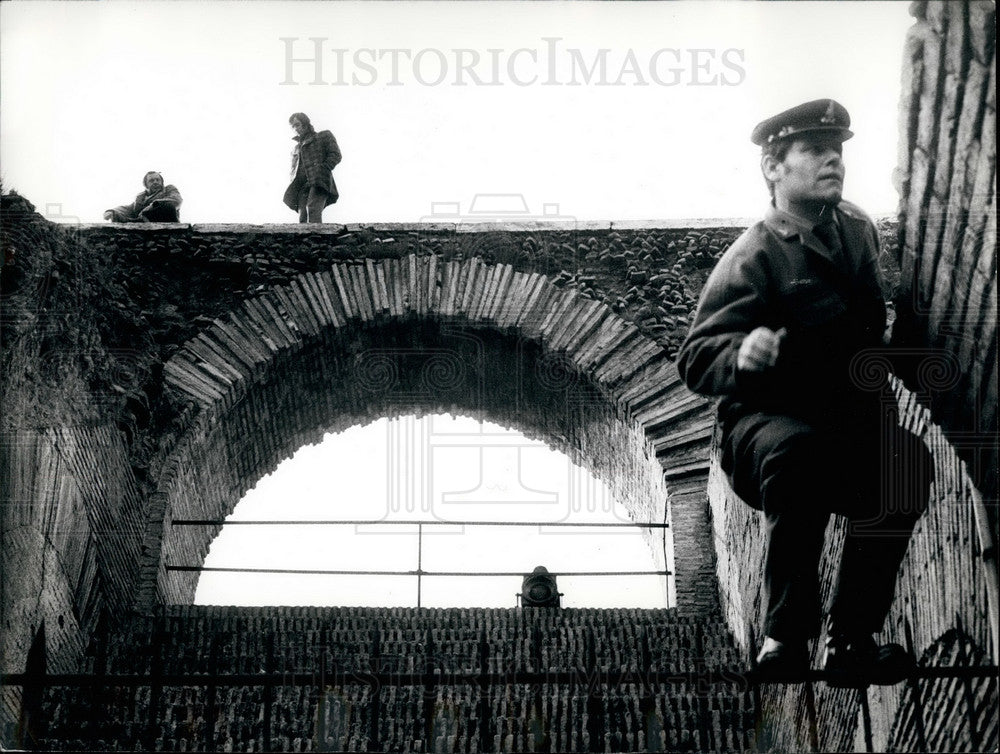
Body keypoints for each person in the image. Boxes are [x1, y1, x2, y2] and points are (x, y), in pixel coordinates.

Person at [676, 99, 933, 686]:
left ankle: (852, 641)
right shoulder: (754, 254)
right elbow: (695, 359)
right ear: (773, 168)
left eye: (837, 151)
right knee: (802, 453)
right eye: (814, 151)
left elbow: (876, 326)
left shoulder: (860, 231)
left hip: (844, 423)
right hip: (762, 429)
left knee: (906, 462)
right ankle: (784, 638)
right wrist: (741, 355)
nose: (832, 162)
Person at [282, 112, 341, 223]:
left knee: (313, 209)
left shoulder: (323, 136)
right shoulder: (296, 148)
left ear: (305, 124)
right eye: (293, 126)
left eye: (297, 124)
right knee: (302, 215)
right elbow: (293, 169)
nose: (295, 129)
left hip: (319, 181)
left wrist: (323, 169)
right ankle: (304, 240)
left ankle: (316, 239)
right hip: (302, 185)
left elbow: (335, 154)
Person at [103, 172, 182, 222]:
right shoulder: (140, 198)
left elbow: (176, 200)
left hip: (165, 219)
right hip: (144, 223)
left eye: (158, 180)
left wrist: (153, 205)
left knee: (168, 206)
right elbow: (129, 208)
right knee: (120, 216)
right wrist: (112, 211)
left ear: (162, 182)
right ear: (146, 184)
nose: (155, 182)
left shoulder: (169, 189)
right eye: (151, 180)